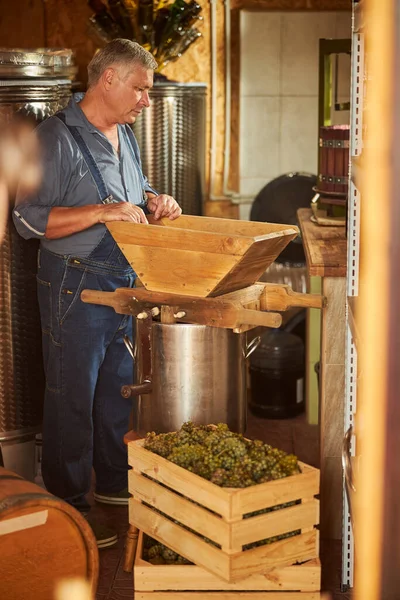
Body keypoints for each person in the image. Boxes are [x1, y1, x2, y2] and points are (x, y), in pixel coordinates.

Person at [12, 39, 182, 548]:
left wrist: (152, 199)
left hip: (124, 282)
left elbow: (134, 188)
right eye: (141, 89)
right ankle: (70, 509)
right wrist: (102, 212)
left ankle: (113, 489)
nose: (146, 101)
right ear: (108, 79)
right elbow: (26, 219)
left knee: (118, 394)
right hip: (75, 282)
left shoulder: (125, 134)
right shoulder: (53, 139)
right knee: (72, 398)